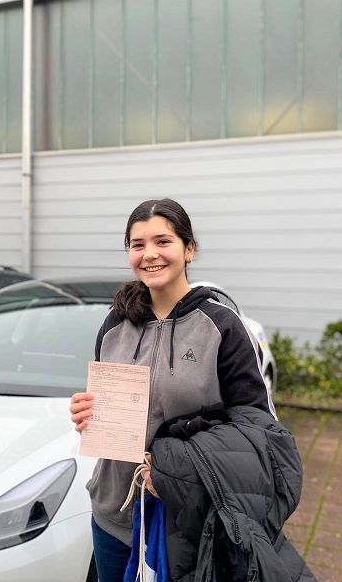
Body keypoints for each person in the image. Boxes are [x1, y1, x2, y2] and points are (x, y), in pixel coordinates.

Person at [69, 198, 275, 582]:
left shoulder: (223, 327)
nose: (149, 254)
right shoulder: (115, 323)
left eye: (162, 241)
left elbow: (258, 430)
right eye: (138, 244)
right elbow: (112, 409)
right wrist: (87, 413)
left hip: (191, 521)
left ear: (189, 249)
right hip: (115, 517)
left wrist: (177, 469)